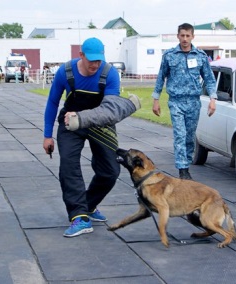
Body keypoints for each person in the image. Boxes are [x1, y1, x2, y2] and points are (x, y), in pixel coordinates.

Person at [43, 37, 138, 238]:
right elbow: (52, 103)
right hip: (70, 123)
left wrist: (84, 118)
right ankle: (79, 216)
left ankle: (89, 204)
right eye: (91, 60)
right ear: (81, 56)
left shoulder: (109, 74)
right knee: (68, 167)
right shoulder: (65, 72)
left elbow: (109, 110)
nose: (95, 64)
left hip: (100, 122)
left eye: (99, 60)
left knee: (110, 171)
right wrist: (47, 135)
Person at [151, 23, 217, 180]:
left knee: (189, 136)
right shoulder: (169, 55)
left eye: (188, 36)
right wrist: (156, 99)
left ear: (193, 36)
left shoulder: (200, 56)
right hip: (176, 101)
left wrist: (212, 99)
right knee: (180, 134)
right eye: (182, 35)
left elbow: (209, 79)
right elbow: (161, 77)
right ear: (178, 36)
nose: (185, 39)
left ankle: (186, 162)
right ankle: (183, 169)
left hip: (193, 101)